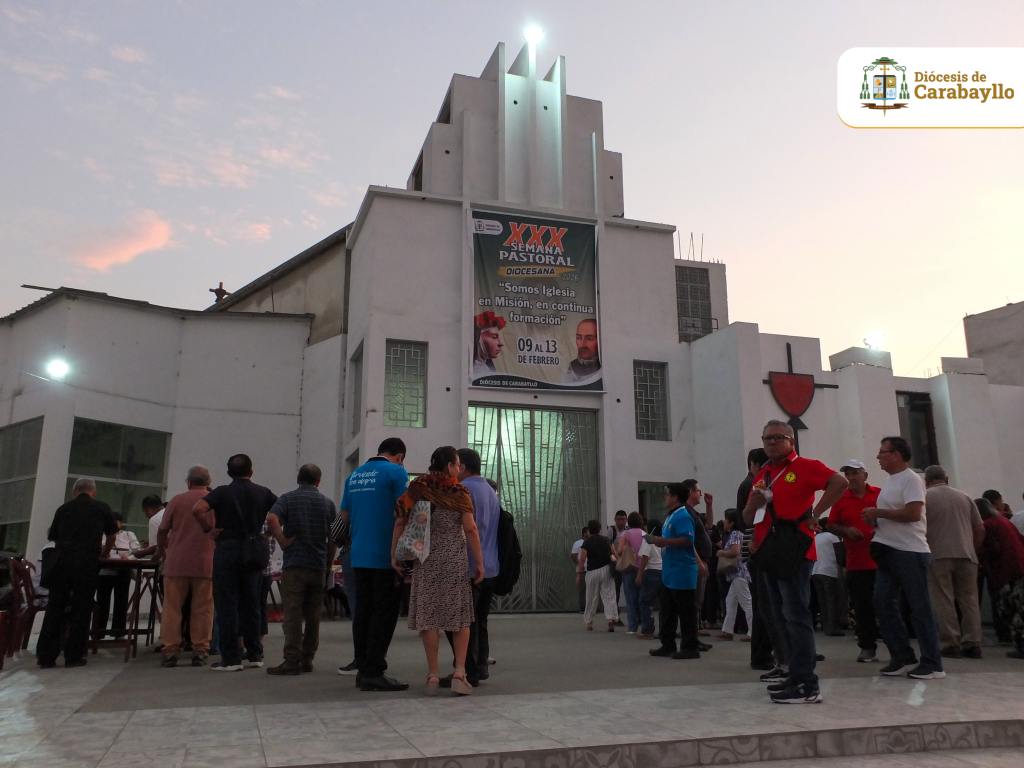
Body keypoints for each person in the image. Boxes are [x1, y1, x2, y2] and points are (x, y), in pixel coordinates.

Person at [741, 420, 848, 704]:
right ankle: (793, 673)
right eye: (767, 438)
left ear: (791, 441)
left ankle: (806, 684)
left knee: (796, 614)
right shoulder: (763, 473)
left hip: (795, 551)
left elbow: (840, 482)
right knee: (778, 616)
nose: (771, 442)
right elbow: (748, 517)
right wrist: (754, 502)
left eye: (778, 437)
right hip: (768, 552)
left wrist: (816, 513)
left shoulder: (805, 466)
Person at [393, 446, 484, 696]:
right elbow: (470, 528)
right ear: (450, 466)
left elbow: (400, 519)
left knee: (429, 617)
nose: (458, 468)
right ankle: (459, 672)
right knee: (459, 616)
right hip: (454, 560)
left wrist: (394, 553)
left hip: (426, 559)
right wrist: (479, 561)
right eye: (457, 464)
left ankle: (433, 675)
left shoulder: (418, 487)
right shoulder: (458, 490)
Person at [862, 436, 945, 680]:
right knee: (882, 602)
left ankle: (933, 663)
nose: (878, 457)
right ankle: (903, 657)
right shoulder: (890, 481)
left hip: (909, 551)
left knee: (919, 608)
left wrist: (879, 512)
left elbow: (913, 513)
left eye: (882, 452)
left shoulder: (911, 479)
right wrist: (875, 520)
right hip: (888, 549)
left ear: (896, 455)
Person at [192, 454, 278, 672]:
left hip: (228, 549)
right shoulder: (263, 492)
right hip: (253, 549)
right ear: (251, 471)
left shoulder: (221, 492)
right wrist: (268, 534)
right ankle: (255, 654)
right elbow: (280, 512)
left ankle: (231, 658)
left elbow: (198, 509)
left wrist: (208, 529)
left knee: (227, 603)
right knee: (252, 602)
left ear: (229, 472)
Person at [337, 438, 410, 691]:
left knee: (364, 612)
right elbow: (404, 513)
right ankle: (374, 671)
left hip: (358, 555)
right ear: (399, 456)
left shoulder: (354, 476)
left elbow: (344, 517)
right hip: (385, 556)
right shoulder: (396, 472)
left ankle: (363, 667)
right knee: (384, 614)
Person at [36, 478, 118, 668]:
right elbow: (112, 534)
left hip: (62, 563)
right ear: (93, 492)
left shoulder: (63, 509)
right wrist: (105, 552)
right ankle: (73, 656)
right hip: (87, 563)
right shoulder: (102, 507)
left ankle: (46, 656)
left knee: (55, 607)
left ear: (74, 493)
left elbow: (53, 536)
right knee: (82, 608)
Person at [264, 463, 337, 675]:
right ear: (319, 482)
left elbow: (271, 518)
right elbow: (334, 537)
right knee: (313, 615)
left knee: (293, 613)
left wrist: (283, 541)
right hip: (318, 565)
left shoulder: (288, 499)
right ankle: (307, 659)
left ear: (298, 479)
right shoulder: (328, 503)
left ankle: (291, 659)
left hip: (295, 564)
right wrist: (327, 564)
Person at [438, 448, 500, 687]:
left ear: (462, 467)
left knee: (460, 621)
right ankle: (480, 666)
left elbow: (466, 528)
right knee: (480, 620)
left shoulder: (462, 490)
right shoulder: (490, 491)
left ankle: (467, 670)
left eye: (454, 465)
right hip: (490, 566)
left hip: (469, 565)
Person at [922, 465, 985, 660]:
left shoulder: (925, 498)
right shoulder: (964, 497)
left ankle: (951, 643)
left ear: (926, 481)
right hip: (966, 554)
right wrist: (972, 549)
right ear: (947, 479)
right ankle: (973, 643)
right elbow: (980, 528)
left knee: (943, 599)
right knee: (970, 599)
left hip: (938, 554)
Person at [157, 465, 215, 668]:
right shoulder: (215, 502)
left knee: (172, 609)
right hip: (206, 563)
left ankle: (170, 650)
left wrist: (161, 550)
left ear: (189, 482)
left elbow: (163, 529)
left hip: (177, 563)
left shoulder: (177, 500)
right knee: (203, 608)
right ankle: (200, 650)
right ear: (209, 482)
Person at [827, 460, 881, 662]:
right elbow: (831, 524)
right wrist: (846, 530)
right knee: (862, 607)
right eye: (848, 474)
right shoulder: (841, 499)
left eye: (855, 473)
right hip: (857, 562)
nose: (851, 477)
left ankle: (898, 648)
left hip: (882, 560)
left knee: (888, 605)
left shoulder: (880, 495)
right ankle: (867, 647)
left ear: (865, 475)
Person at [649, 483, 701, 659]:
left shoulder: (683, 516)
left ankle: (690, 647)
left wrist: (664, 542)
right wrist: (659, 540)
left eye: (668, 495)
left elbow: (688, 540)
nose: (665, 498)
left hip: (682, 570)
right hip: (670, 570)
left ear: (675, 497)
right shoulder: (671, 516)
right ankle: (668, 644)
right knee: (667, 610)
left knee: (686, 612)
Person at [740, 448, 778, 672]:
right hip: (758, 546)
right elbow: (751, 518)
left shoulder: (753, 483)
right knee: (765, 604)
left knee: (763, 604)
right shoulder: (755, 484)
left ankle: (766, 652)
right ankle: (763, 654)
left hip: (757, 546)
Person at [975, 498, 1024, 659]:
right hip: (1019, 567)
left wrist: (978, 557)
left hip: (1006, 572)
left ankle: (1021, 646)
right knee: (1020, 607)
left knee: (1012, 610)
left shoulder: (988, 525)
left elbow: (993, 549)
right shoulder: (1004, 521)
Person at [94, 512, 141, 639]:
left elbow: (138, 551)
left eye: (117, 522)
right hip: (104, 571)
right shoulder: (100, 535)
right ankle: (98, 632)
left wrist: (128, 558)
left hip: (123, 570)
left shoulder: (128, 535)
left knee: (121, 601)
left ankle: (119, 632)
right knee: (102, 601)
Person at [679, 479, 714, 650]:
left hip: (700, 560)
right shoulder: (686, 512)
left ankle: (694, 636)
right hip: (694, 561)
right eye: (698, 491)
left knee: (697, 601)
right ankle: (691, 639)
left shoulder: (693, 512)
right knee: (694, 602)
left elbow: (709, 524)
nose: (700, 494)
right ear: (691, 492)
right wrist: (699, 562)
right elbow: (688, 540)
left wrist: (709, 505)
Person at [716, 509, 753, 641]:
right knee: (730, 601)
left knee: (745, 602)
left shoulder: (734, 534)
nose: (724, 522)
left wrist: (722, 553)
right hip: (737, 573)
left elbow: (735, 551)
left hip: (738, 573)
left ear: (731, 523)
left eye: (726, 519)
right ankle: (727, 630)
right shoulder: (738, 533)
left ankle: (752, 632)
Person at [578, 520, 618, 631]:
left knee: (591, 596)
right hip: (606, 570)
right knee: (609, 595)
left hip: (592, 572)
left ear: (589, 531)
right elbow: (614, 554)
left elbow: (582, 559)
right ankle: (610, 619)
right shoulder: (607, 540)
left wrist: (579, 574)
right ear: (600, 529)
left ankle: (589, 622)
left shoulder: (587, 542)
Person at [810, 522, 844, 636]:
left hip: (815, 571)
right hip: (829, 571)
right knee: (832, 600)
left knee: (822, 601)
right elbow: (840, 555)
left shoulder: (815, 538)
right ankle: (833, 628)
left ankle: (826, 626)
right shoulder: (832, 537)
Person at [615, 512, 646, 633]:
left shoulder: (626, 533)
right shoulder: (645, 534)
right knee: (642, 597)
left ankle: (632, 627)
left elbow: (619, 550)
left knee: (630, 598)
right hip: (642, 567)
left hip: (629, 568)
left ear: (629, 521)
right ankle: (644, 623)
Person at [636, 519, 663, 638]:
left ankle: (648, 629)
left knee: (644, 600)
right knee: (663, 603)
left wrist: (639, 574)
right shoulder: (664, 540)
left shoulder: (648, 540)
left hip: (652, 571)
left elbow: (645, 558)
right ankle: (664, 630)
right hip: (664, 571)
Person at [565, 318, 601, 384]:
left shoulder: (604, 369)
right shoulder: (569, 367)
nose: (582, 344)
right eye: (579, 338)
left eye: (589, 339)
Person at [472, 311, 506, 377]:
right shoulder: (470, 370)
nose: (500, 343)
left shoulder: (487, 367)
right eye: (494, 337)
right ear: (478, 337)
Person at [570, 526, 590, 612]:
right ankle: (583, 607)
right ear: (585, 533)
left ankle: (591, 607)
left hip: (591, 569)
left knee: (591, 589)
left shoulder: (591, 542)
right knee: (582, 589)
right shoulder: (578, 543)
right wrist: (580, 564)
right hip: (582, 570)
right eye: (588, 532)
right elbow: (573, 555)